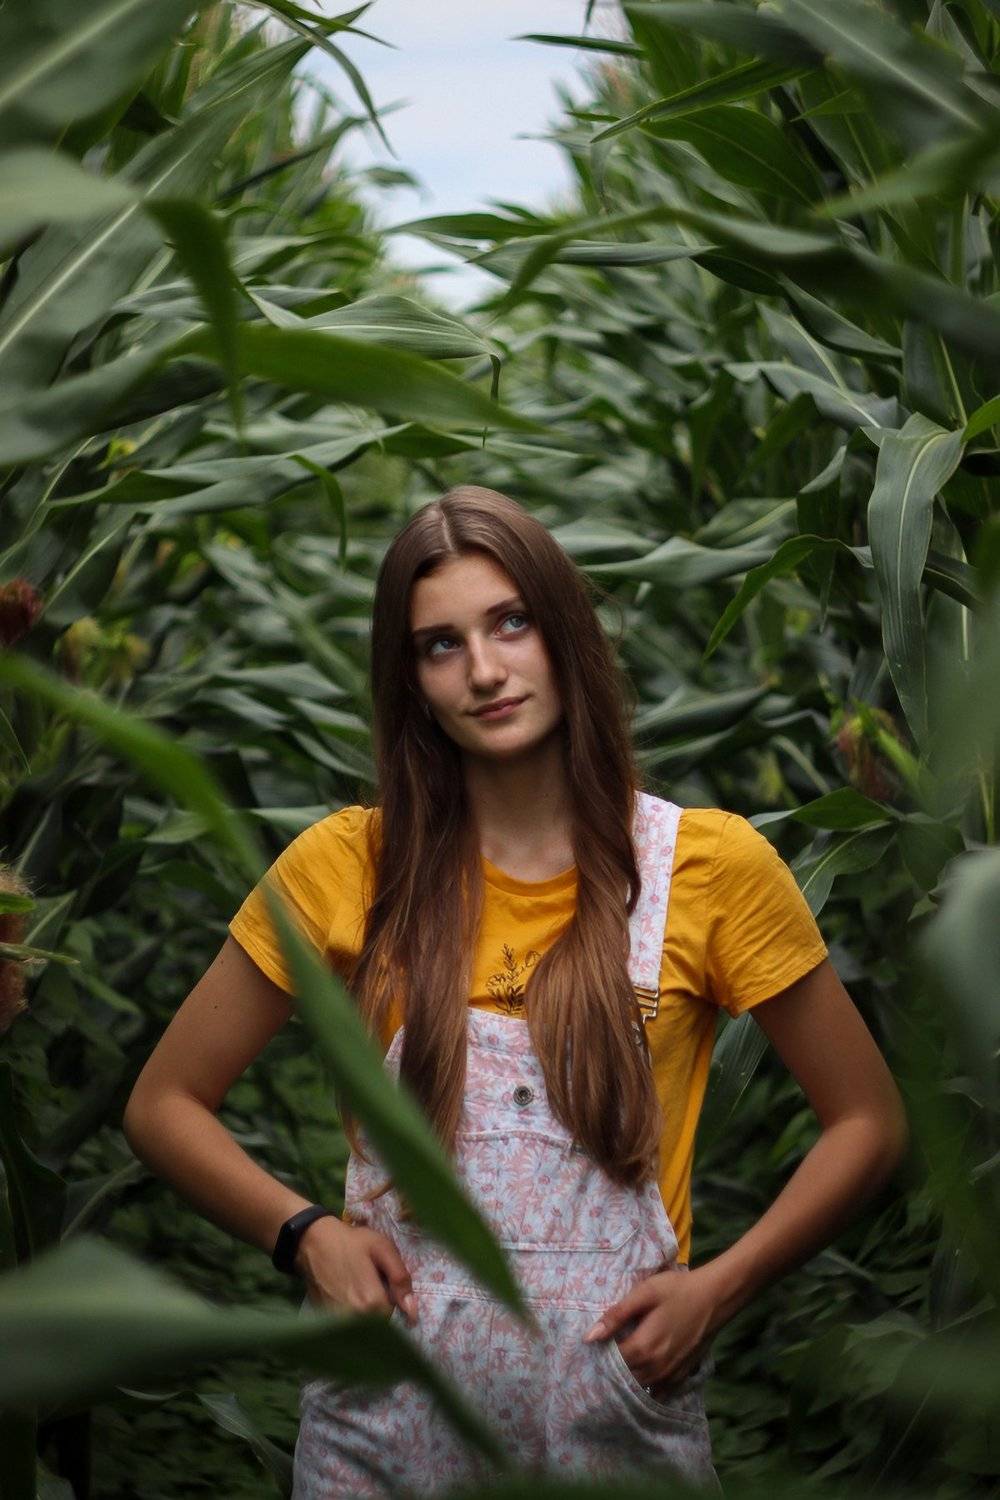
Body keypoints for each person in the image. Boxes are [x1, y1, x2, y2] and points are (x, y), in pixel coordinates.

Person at [123, 484, 909, 1497]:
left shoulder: (707, 870)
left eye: (511, 623)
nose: (485, 671)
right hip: (384, 1425)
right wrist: (303, 1233)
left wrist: (719, 1289)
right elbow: (163, 1104)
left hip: (617, 1430)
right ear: (411, 680)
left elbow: (867, 1121)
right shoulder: (347, 866)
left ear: (565, 633)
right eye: (440, 645)